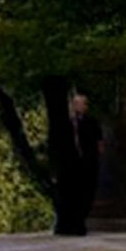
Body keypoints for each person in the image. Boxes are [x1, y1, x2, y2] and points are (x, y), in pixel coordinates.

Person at [55, 91, 102, 236]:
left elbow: (99, 143)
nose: (77, 107)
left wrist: (95, 158)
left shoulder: (92, 123)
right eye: (75, 104)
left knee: (86, 195)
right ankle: (67, 225)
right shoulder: (65, 123)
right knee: (69, 195)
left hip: (87, 164)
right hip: (69, 166)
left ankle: (79, 222)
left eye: (80, 104)